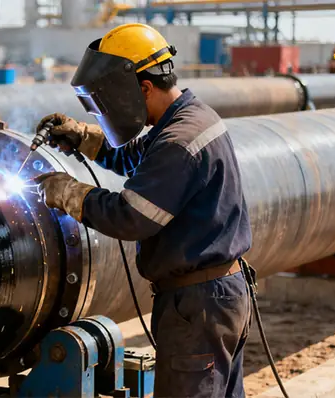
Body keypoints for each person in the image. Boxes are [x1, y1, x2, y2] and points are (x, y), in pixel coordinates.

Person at [34, 23, 253, 398]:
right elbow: (138, 158)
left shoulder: (179, 140)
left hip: (199, 306)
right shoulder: (188, 118)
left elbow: (130, 216)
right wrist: (84, 137)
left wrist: (67, 192)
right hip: (216, 296)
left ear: (144, 87)